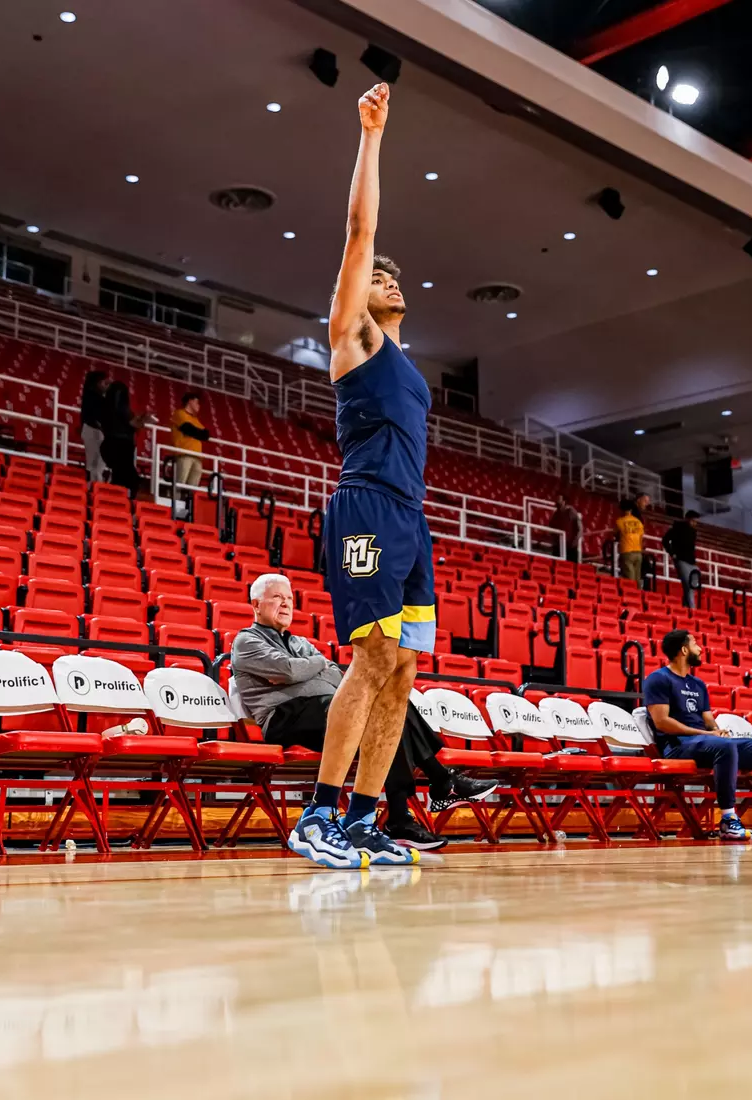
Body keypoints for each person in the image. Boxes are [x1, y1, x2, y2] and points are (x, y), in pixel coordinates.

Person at [288, 83, 437, 869]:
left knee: (404, 667)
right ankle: (316, 815)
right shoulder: (355, 340)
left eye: (391, 275)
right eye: (377, 276)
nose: (387, 277)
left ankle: (365, 817)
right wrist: (372, 136)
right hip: (368, 509)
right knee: (371, 659)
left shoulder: (412, 369)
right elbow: (359, 229)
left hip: (413, 521)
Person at [232, 575, 497, 851]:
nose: (285, 603)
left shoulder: (299, 643)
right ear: (256, 604)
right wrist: (318, 663)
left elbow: (334, 675)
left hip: (321, 707)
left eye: (289, 598)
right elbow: (288, 670)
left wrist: (307, 668)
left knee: (388, 711)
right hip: (283, 717)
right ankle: (438, 785)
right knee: (369, 712)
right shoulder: (246, 641)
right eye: (277, 597)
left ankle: (407, 811)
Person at [644, 629, 752, 841]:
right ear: (684, 650)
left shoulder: (698, 684)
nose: (700, 649)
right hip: (677, 745)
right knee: (724, 747)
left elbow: (708, 718)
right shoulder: (657, 679)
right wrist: (707, 733)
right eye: (695, 644)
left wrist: (716, 730)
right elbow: (662, 721)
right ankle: (728, 819)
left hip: (704, 741)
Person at [100, 381, 152, 498]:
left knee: (120, 476)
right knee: (127, 477)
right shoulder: (123, 409)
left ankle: (115, 499)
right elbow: (134, 423)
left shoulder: (105, 406)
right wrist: (144, 420)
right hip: (122, 446)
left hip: (110, 444)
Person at [170, 392, 210, 487]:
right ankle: (175, 501)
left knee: (192, 488)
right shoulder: (179, 413)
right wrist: (197, 432)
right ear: (190, 401)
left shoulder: (195, 419)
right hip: (184, 454)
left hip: (197, 456)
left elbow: (206, 435)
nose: (198, 405)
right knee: (180, 484)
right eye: (197, 402)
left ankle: (189, 502)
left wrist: (195, 432)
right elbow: (188, 429)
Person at [663, 510, 700, 609]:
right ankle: (692, 608)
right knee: (688, 585)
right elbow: (665, 540)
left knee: (692, 586)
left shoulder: (693, 531)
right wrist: (673, 554)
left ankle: (686, 606)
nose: (695, 523)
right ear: (687, 519)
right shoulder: (677, 528)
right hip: (681, 559)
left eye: (696, 522)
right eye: (693, 521)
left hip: (691, 561)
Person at [79, 370, 109, 482]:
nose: (105, 386)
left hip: (93, 431)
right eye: (103, 383)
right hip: (93, 430)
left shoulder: (93, 396)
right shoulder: (93, 397)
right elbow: (96, 418)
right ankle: (95, 487)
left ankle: (94, 486)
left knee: (95, 465)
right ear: (97, 383)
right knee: (95, 466)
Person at [615, 498, 644, 583]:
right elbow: (641, 537)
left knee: (630, 579)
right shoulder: (638, 522)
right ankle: (638, 594)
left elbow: (615, 534)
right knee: (637, 578)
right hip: (638, 552)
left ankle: (632, 595)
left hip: (626, 551)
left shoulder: (619, 521)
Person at [550, 495, 583, 563]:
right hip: (558, 546)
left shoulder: (571, 511)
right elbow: (551, 527)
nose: (557, 501)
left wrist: (575, 541)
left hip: (570, 547)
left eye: (559, 499)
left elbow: (580, 528)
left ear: (564, 501)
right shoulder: (555, 514)